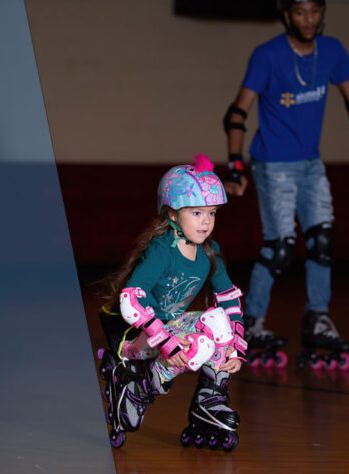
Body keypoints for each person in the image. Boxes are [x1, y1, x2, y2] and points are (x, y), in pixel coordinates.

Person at [220, 0, 349, 370]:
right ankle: (249, 322)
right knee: (279, 248)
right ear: (286, 16)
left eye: (315, 11)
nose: (309, 19)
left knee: (323, 241)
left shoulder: (331, 52)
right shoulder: (267, 56)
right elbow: (236, 113)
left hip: (311, 164)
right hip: (273, 164)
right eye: (300, 12)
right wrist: (234, 164)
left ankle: (317, 318)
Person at [98, 155, 247, 452]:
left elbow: (228, 298)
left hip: (168, 329)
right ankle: (138, 391)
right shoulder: (161, 250)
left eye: (212, 213)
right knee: (200, 344)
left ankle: (210, 400)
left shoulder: (210, 251)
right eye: (196, 212)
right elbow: (131, 300)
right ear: (173, 215)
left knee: (217, 321)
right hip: (132, 333)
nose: (206, 221)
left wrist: (237, 346)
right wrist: (166, 343)